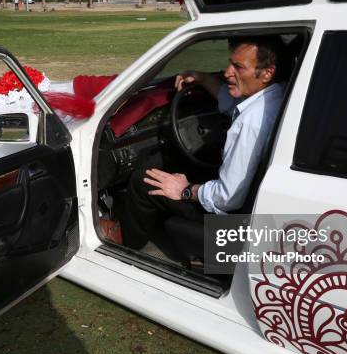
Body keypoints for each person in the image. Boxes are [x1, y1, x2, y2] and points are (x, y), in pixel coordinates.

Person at [111, 37, 285, 252]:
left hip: (232, 217)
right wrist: (201, 78)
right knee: (187, 169)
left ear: (267, 73)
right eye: (230, 63)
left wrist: (185, 190)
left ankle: (126, 248)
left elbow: (227, 198)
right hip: (255, 206)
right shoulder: (274, 96)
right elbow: (230, 104)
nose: (227, 72)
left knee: (142, 180)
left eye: (238, 67)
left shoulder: (249, 124)